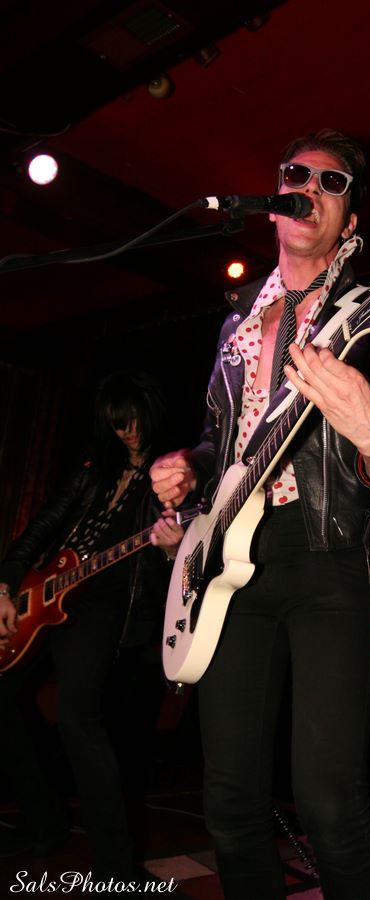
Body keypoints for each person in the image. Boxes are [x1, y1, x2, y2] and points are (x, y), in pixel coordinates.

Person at [150, 129, 370, 899]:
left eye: (331, 183)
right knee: (229, 799)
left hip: (328, 557)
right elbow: (225, 441)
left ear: (350, 221)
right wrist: (188, 466)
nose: (309, 188)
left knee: (330, 803)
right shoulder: (237, 322)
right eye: (296, 174)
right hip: (228, 567)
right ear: (274, 200)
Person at [0, 369, 180, 881]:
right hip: (45, 592)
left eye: (133, 420)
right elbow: (42, 526)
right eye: (117, 424)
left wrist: (172, 552)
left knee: (79, 720)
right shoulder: (93, 469)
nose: (128, 432)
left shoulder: (174, 474)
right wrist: (6, 585)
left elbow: (186, 558)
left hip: (103, 602)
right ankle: (45, 820)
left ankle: (115, 870)